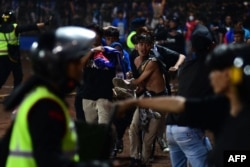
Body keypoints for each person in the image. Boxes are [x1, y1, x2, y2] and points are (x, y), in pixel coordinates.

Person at [115, 43, 250, 167]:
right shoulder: (220, 105)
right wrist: (135, 102)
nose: (211, 76)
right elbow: (180, 104)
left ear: (232, 74)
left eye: (215, 71)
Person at [1, 26, 111, 166]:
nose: (80, 67)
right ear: (58, 67)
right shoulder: (46, 105)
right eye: (75, 62)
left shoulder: (39, 99)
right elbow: (47, 159)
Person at [0, 10, 50, 90]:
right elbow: (30, 27)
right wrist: (45, 24)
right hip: (12, 56)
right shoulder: (14, 28)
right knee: (18, 76)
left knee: (2, 77)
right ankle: (15, 95)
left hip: (1, 57)